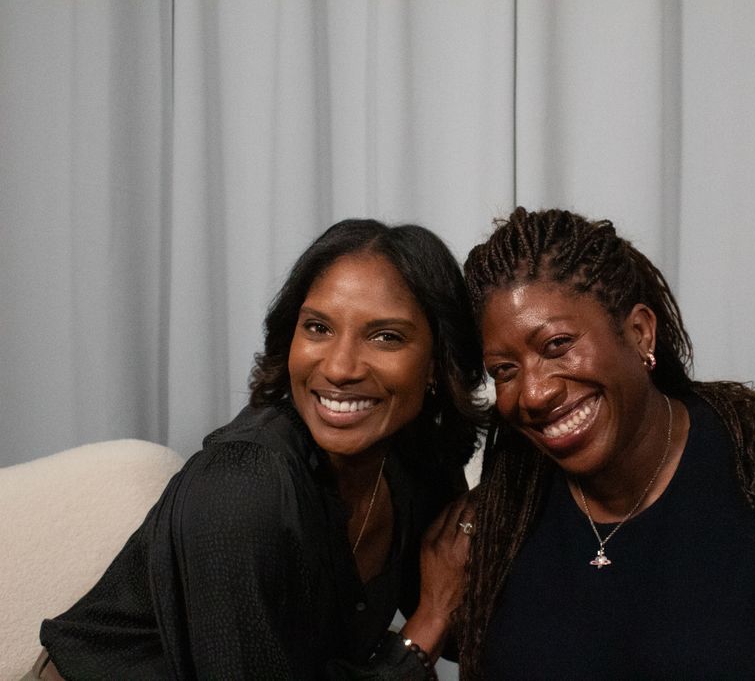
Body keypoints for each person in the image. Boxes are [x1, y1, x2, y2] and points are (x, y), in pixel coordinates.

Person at [453, 207, 755, 679]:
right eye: (505, 371)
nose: (535, 393)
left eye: (557, 345)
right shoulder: (506, 518)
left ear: (640, 332)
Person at [34, 219, 484, 679]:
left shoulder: (410, 459)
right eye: (318, 328)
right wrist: (426, 626)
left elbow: (471, 627)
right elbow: (439, 614)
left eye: (385, 336)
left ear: (437, 362)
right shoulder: (241, 487)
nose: (340, 366)